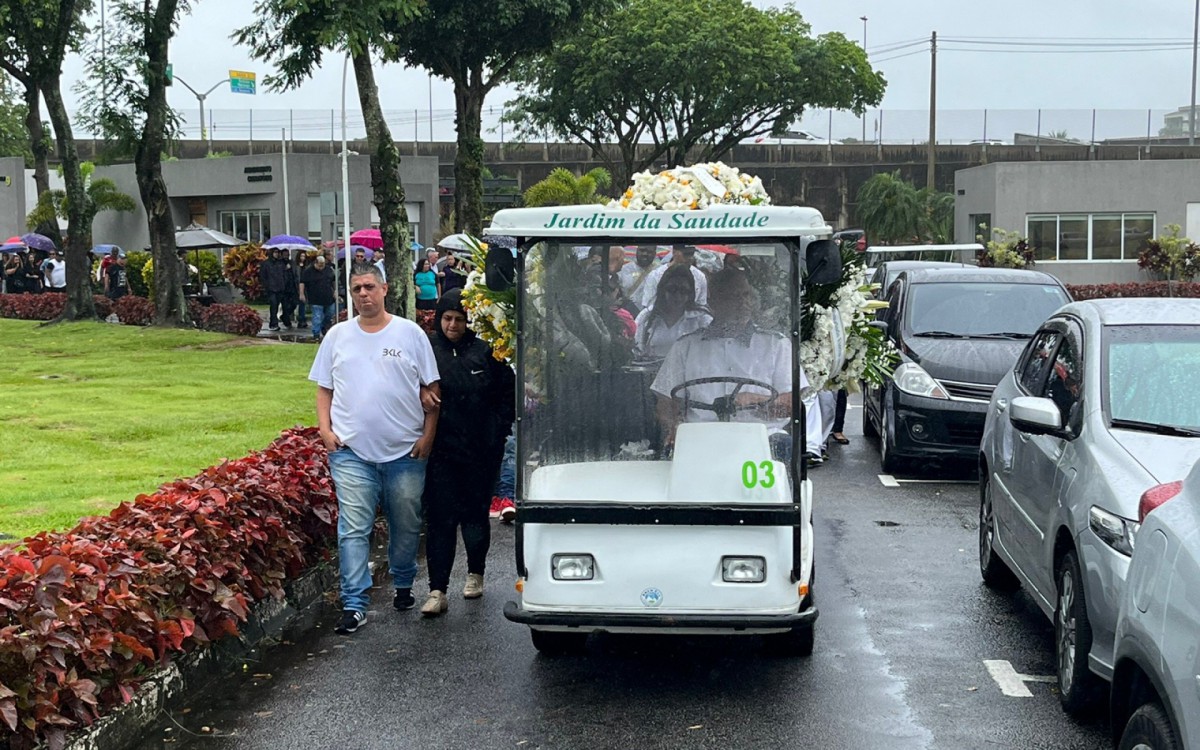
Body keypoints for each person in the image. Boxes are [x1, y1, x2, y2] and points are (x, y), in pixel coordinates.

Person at [309, 262, 441, 635]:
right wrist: (325, 430)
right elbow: (324, 387)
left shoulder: (410, 334)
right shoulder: (337, 336)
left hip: (405, 452)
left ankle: (403, 582)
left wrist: (427, 436)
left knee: (406, 522)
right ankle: (354, 604)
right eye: (356, 289)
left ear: (384, 289)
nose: (363, 294)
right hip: (351, 452)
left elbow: (433, 389)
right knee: (353, 528)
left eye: (369, 286)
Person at [419, 289, 515, 616]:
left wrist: (497, 433)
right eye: (447, 318)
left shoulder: (486, 351)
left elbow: (507, 394)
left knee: (474, 514)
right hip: (441, 450)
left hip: (481, 451)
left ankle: (476, 572)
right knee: (441, 517)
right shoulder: (428, 350)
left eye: (459, 319)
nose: (452, 325)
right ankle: (437, 589)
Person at [650, 269, 800, 462]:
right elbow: (665, 402)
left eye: (746, 295)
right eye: (734, 296)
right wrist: (674, 427)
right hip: (701, 438)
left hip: (764, 438)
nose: (743, 303)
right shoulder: (685, 347)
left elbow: (792, 403)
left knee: (785, 446)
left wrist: (755, 399)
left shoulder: (776, 345)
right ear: (713, 302)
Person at [632, 263, 712, 364]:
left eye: (683, 291)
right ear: (662, 290)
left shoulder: (702, 319)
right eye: (672, 290)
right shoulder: (646, 318)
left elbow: (710, 354)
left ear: (690, 293)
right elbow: (637, 351)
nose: (677, 296)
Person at [635, 246, 707, 310]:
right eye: (686, 254)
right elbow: (648, 305)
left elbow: (701, 305)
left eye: (691, 254)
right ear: (674, 252)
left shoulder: (700, 276)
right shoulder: (655, 275)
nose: (690, 258)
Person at [300, 254, 336, 341]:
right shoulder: (308, 271)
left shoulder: (328, 269)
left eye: (322, 265)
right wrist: (301, 294)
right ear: (315, 263)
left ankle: (324, 327)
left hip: (328, 298)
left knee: (330, 315)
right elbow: (302, 282)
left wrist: (335, 291)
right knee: (317, 317)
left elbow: (333, 281)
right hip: (315, 298)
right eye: (319, 265)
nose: (321, 267)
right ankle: (316, 334)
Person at [259, 247, 294, 331]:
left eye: (278, 252)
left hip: (282, 288)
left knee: (286, 306)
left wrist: (285, 283)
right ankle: (273, 324)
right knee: (274, 306)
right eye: (275, 252)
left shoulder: (281, 263)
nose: (276, 254)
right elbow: (263, 276)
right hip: (272, 289)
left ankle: (286, 321)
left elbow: (285, 274)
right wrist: (267, 286)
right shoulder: (266, 264)